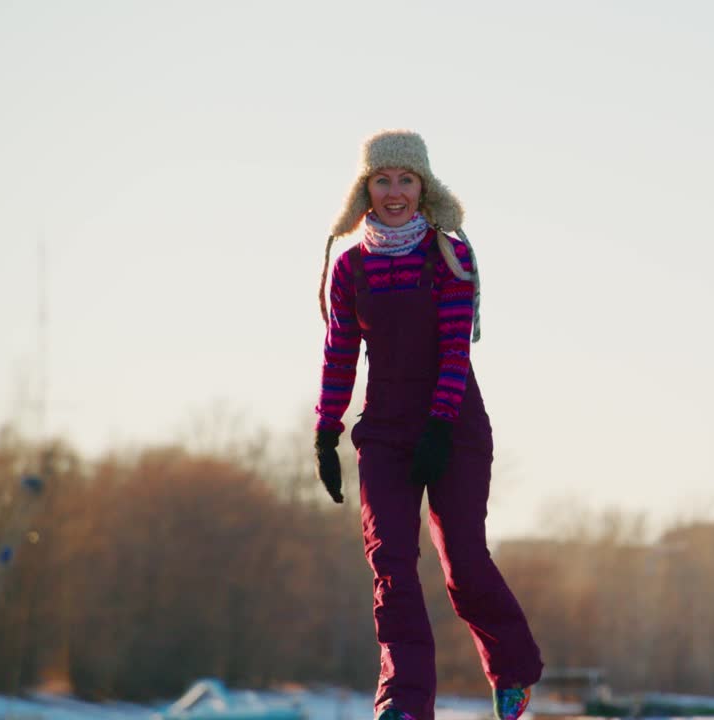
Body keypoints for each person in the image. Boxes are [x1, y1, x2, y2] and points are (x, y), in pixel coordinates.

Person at [313, 129, 543, 720]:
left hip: (454, 423)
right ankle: (405, 703)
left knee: (462, 561)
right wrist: (326, 429)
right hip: (385, 428)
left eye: (405, 180)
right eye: (382, 180)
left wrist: (439, 427)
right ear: (365, 189)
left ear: (423, 187)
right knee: (389, 561)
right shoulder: (349, 268)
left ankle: (512, 666)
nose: (394, 192)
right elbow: (339, 351)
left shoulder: (449, 254)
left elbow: (453, 350)